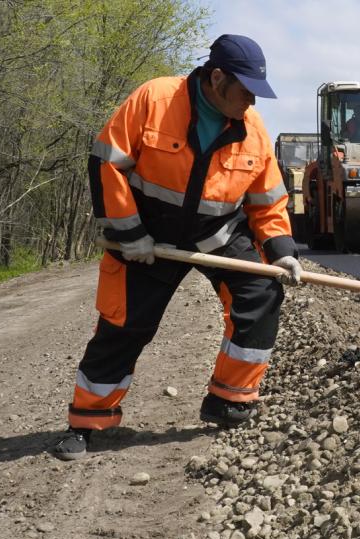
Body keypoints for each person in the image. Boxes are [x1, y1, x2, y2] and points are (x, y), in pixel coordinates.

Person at [52, 34, 304, 460]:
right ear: (217, 78)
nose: (251, 103)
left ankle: (230, 400)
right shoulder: (155, 99)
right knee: (125, 325)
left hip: (217, 234)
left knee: (261, 292)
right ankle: (88, 420)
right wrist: (130, 235)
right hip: (146, 235)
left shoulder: (253, 131)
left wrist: (282, 251)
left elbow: (268, 202)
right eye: (245, 92)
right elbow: (107, 163)